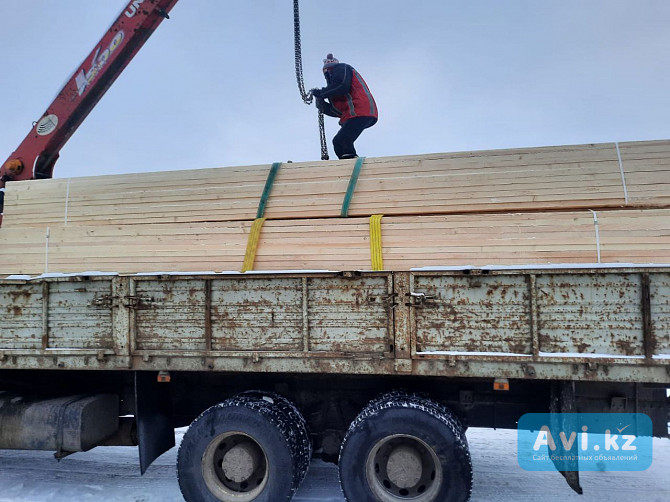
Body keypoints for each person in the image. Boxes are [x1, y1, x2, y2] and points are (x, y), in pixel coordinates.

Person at [311, 54, 378, 160]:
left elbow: (341, 86)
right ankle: (348, 163)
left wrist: (322, 93)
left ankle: (350, 165)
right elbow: (337, 111)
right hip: (356, 113)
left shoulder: (342, 68)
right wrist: (322, 105)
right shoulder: (334, 91)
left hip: (361, 111)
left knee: (341, 141)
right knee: (339, 142)